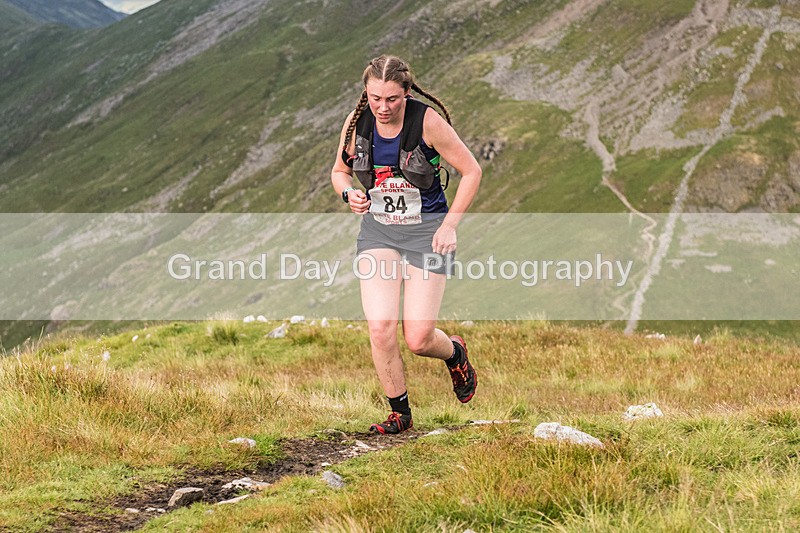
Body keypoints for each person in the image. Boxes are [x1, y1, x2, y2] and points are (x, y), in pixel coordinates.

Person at [330, 55, 482, 434]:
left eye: (392, 99)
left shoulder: (427, 122)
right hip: (379, 233)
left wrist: (450, 226)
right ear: (367, 92)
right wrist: (349, 194)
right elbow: (340, 172)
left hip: (427, 234)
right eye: (376, 98)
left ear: (407, 92)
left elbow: (472, 171)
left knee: (418, 338)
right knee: (380, 327)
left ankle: (455, 353)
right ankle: (400, 414)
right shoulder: (355, 123)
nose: (383, 107)